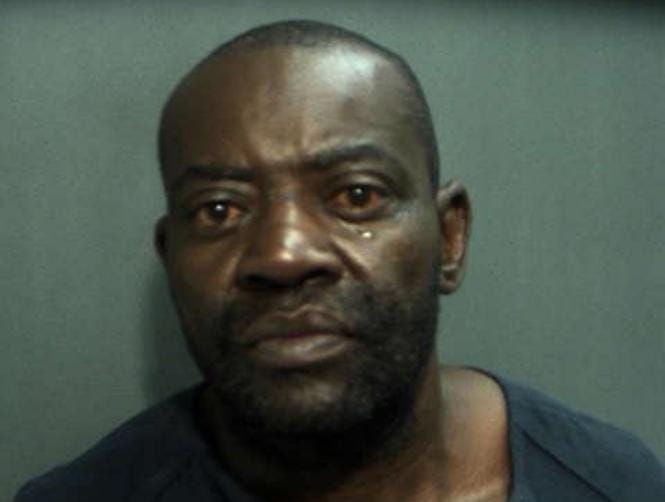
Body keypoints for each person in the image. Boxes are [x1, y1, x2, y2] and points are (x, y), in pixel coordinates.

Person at [16, 20, 664, 502]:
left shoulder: (618, 485)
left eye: (356, 196)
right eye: (219, 210)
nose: (283, 254)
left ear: (449, 238)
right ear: (172, 263)